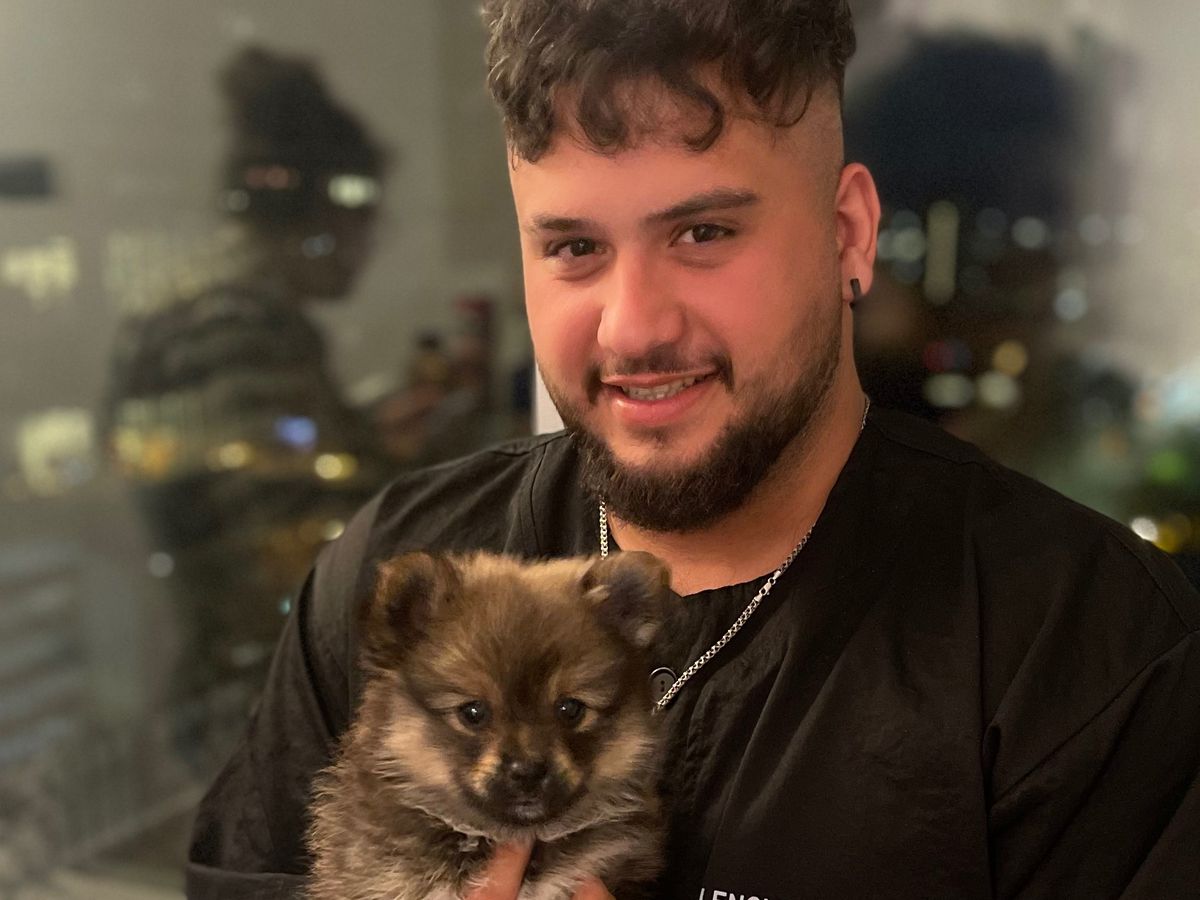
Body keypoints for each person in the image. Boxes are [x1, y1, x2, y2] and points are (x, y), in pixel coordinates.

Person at [186, 2, 1200, 898]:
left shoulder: (1089, 651)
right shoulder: (387, 569)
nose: (633, 327)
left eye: (704, 233)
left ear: (849, 233)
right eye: (574, 247)